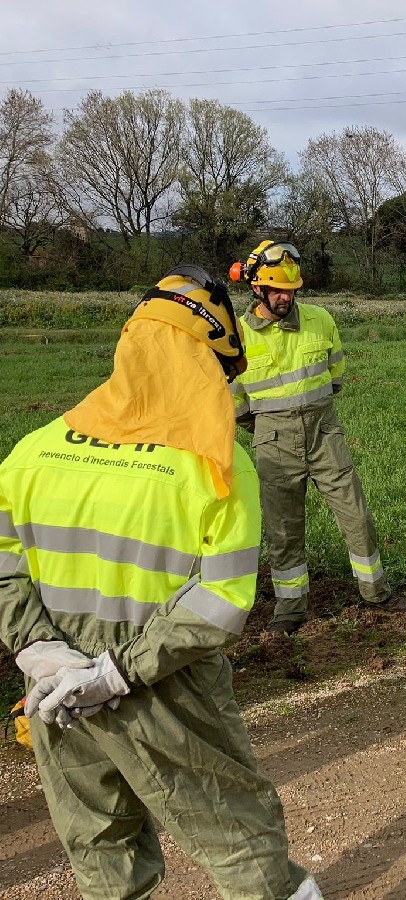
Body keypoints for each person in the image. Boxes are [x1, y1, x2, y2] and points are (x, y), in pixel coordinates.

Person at [1, 267, 320, 898]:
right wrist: (116, 673)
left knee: (102, 851)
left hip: (57, 692)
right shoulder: (216, 468)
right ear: (204, 362)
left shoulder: (32, 451)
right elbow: (222, 602)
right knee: (240, 838)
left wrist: (40, 651)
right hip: (165, 689)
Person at [230, 240, 399, 635]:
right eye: (277, 290)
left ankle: (377, 593)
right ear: (256, 288)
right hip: (273, 440)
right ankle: (290, 608)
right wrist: (268, 425)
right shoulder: (238, 334)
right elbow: (234, 400)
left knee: (356, 515)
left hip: (324, 432)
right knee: (283, 529)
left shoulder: (320, 320)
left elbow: (335, 375)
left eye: (290, 290)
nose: (285, 298)